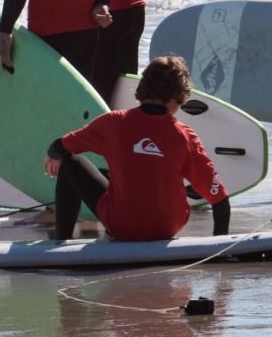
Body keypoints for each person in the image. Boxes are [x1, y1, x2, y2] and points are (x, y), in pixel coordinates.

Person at [42, 55, 230, 241]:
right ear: (177, 97)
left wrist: (53, 155)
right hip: (168, 227)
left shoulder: (113, 123)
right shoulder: (186, 136)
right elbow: (220, 201)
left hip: (122, 226)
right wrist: (218, 249)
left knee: (70, 162)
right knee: (106, 174)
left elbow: (59, 146)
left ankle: (61, 243)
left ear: (143, 88)